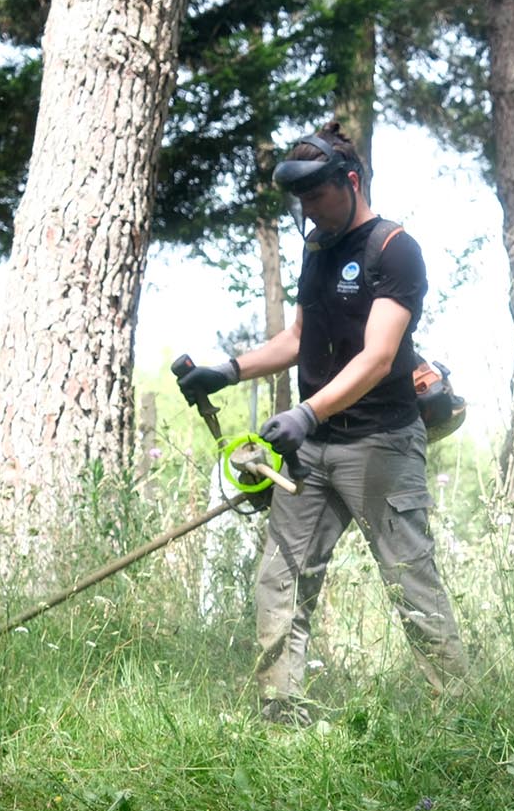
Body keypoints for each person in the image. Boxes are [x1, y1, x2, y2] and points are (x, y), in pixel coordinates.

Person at [177, 123, 466, 721]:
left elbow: (379, 355)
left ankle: (460, 715)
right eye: (300, 202)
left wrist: (308, 411)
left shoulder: (393, 249)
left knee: (410, 579)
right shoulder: (317, 249)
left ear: (350, 182)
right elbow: (297, 338)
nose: (307, 212)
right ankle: (280, 709)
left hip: (380, 443)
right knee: (281, 578)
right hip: (312, 450)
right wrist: (227, 370)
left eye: (317, 198)